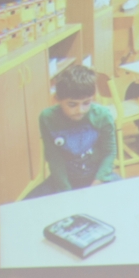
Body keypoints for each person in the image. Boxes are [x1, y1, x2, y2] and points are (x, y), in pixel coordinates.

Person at [35, 64, 117, 195]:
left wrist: (97, 183)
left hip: (97, 177)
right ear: (58, 99)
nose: (80, 110)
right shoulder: (47, 118)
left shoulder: (103, 115)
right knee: (30, 205)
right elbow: (54, 158)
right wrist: (66, 192)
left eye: (86, 103)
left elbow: (109, 152)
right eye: (72, 104)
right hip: (64, 179)